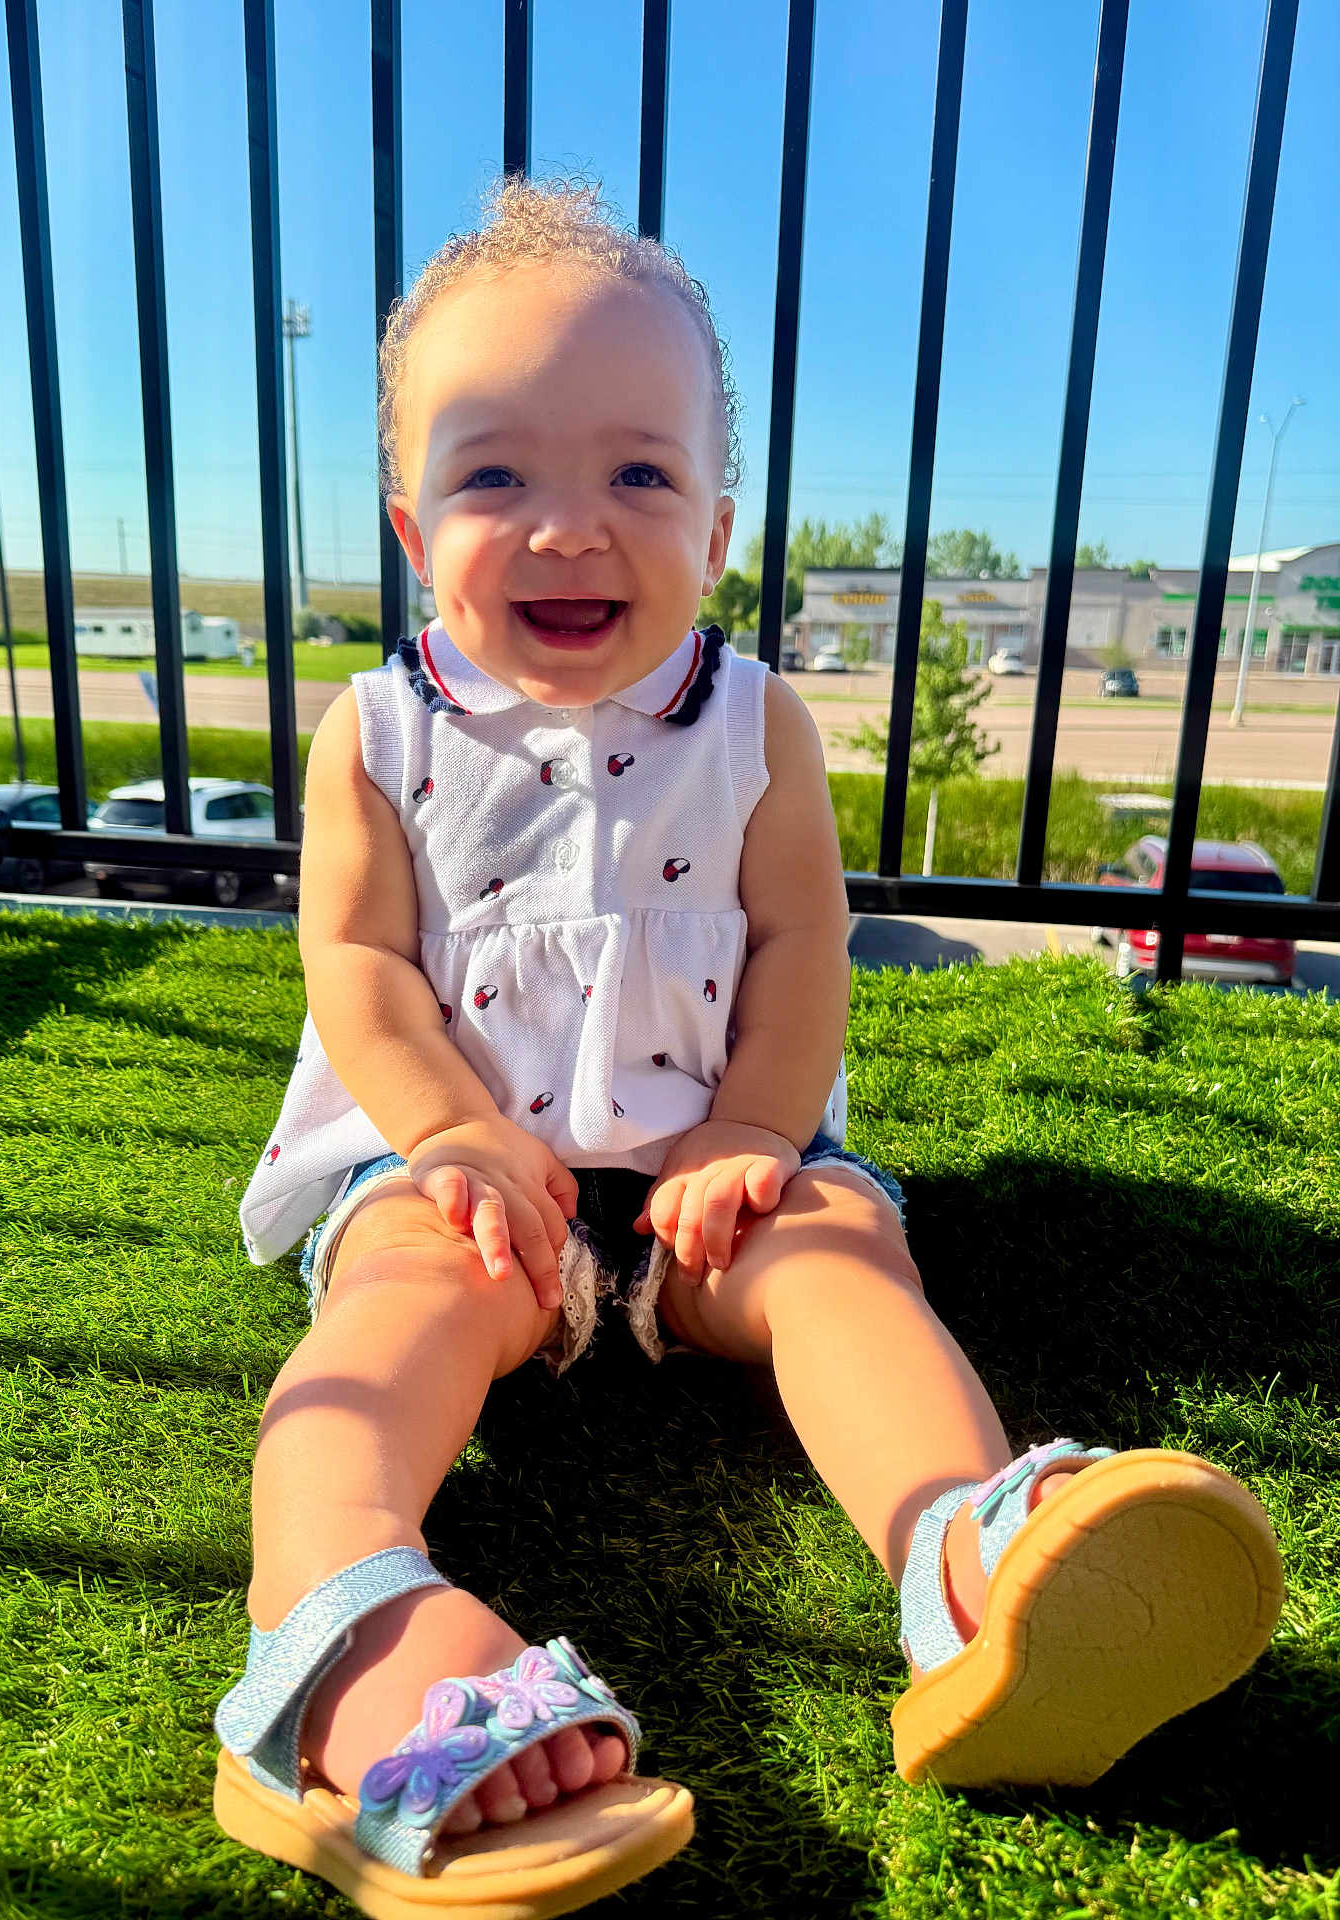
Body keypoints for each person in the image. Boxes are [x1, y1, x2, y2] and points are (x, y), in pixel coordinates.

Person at [214, 179, 1283, 1918]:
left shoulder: (757, 721)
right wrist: (442, 1137)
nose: (572, 527)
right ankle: (337, 1611)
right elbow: (358, 960)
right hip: (468, 1178)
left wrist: (762, 1129)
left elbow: (799, 946)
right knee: (397, 1308)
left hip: (721, 1162)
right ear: (414, 533)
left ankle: (964, 1563)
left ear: (715, 529)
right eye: (497, 475)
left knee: (845, 1252)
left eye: (639, 474)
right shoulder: (379, 731)